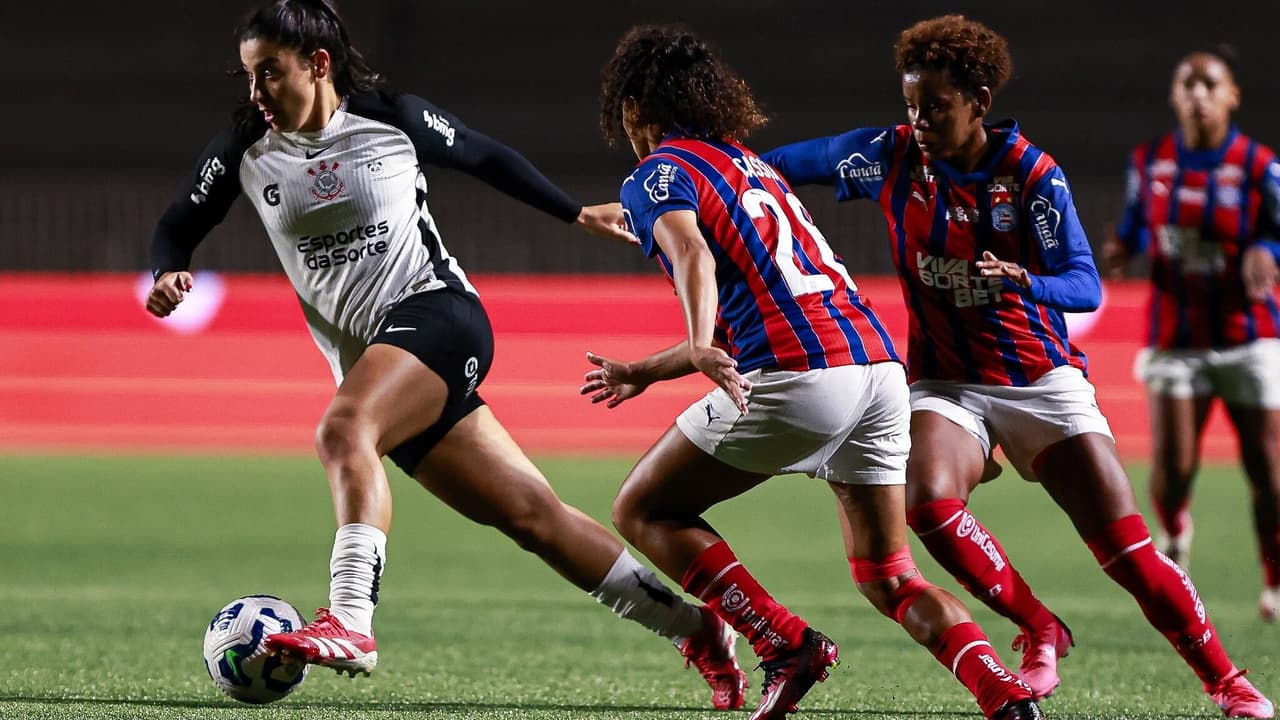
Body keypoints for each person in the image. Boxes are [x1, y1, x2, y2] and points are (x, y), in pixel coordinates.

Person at [144, 0, 750, 709]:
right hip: (383, 363)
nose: (257, 93)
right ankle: (698, 629)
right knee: (535, 518)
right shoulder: (244, 149)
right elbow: (177, 222)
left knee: (343, 431)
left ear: (318, 64)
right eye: (251, 77)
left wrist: (574, 212)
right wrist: (167, 269)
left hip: (440, 315)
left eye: (269, 73)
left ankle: (351, 620)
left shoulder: (390, 117)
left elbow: (484, 154)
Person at [762, 14, 1275, 718]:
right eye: (910, 104)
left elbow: (1084, 285)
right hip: (947, 382)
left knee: (1127, 553)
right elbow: (779, 166)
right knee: (928, 503)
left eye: (934, 106)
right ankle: (1038, 625)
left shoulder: (1030, 175)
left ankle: (1228, 681)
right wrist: (718, 180)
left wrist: (1023, 282)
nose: (917, 120)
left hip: (1040, 381)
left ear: (979, 100)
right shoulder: (888, 158)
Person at [583, 23, 1043, 720]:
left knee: (642, 510)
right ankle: (1003, 695)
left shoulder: (656, 173)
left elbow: (694, 259)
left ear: (635, 110)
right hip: (877, 372)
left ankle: (782, 643)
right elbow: (750, 297)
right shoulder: (749, 164)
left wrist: (695, 338)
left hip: (798, 376)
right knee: (890, 576)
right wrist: (653, 368)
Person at [1102, 44, 1280, 623]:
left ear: (1232, 96)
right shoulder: (1150, 161)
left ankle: (1274, 582)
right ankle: (1176, 524)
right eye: (1188, 84)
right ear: (1175, 96)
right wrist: (1121, 248)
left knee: (1269, 474)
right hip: (1175, 337)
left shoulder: (1258, 165)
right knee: (1174, 470)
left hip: (1248, 336)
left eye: (1210, 84)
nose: (1199, 94)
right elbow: (1133, 223)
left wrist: (1264, 249)